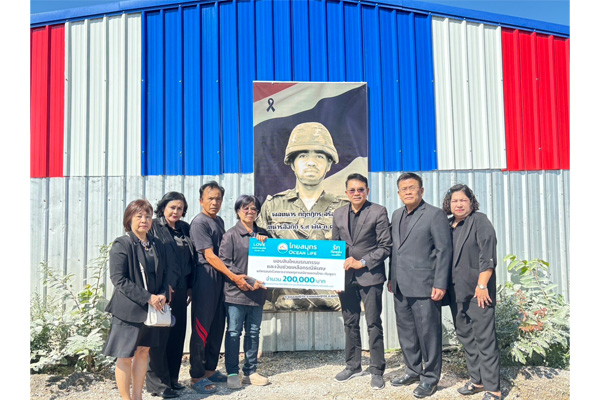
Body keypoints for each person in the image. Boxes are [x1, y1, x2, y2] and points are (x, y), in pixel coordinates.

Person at [257, 122, 348, 311]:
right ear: (292, 163)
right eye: (303, 155)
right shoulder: (273, 205)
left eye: (320, 156)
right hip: (283, 307)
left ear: (329, 164)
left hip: (333, 306)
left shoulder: (343, 208)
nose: (311, 162)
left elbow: (356, 250)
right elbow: (259, 253)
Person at [388, 173, 452, 398]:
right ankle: (413, 370)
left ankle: (430, 378)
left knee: (428, 334)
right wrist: (391, 277)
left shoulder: (434, 215)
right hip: (400, 285)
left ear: (421, 191)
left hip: (425, 286)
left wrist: (440, 283)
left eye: (412, 187)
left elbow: (444, 251)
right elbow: (396, 250)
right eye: (403, 188)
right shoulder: (396, 215)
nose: (408, 191)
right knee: (406, 331)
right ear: (399, 193)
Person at [188, 181, 252, 394]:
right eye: (210, 198)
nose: (214, 202)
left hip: (220, 278)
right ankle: (197, 375)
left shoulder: (219, 221)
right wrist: (233, 276)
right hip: (206, 276)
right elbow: (209, 255)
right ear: (201, 201)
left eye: (218, 199)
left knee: (217, 325)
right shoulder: (199, 223)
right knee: (202, 327)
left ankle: (210, 369)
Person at [103, 199, 169, 400]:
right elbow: (118, 279)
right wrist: (148, 297)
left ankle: (138, 396)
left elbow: (164, 274)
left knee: (143, 352)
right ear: (129, 219)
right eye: (139, 216)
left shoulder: (157, 244)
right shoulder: (122, 244)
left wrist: (163, 294)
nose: (144, 220)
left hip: (151, 311)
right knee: (125, 356)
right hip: (128, 311)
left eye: (148, 216)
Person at [332, 174, 392, 390]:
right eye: (352, 190)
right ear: (346, 193)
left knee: (373, 323)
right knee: (350, 322)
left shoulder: (378, 211)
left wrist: (362, 262)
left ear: (367, 191)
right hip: (346, 278)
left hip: (370, 276)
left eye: (360, 189)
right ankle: (353, 365)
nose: (356, 193)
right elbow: (334, 248)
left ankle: (377, 370)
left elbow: (385, 246)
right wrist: (334, 276)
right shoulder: (338, 214)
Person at [442, 184, 501, 400]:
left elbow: (488, 256)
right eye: (454, 201)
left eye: (463, 200)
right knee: (466, 337)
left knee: (485, 339)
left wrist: (482, 285)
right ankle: (477, 380)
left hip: (478, 293)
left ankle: (493, 388)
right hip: (456, 293)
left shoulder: (479, 221)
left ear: (471, 202)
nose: (458, 204)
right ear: (449, 204)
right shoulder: (448, 225)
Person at [219, 195, 271, 389]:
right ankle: (232, 372)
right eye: (245, 208)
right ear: (238, 211)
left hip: (257, 294)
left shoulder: (264, 234)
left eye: (254, 209)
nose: (250, 212)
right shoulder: (230, 235)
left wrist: (268, 243)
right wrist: (249, 280)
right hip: (236, 293)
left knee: (253, 333)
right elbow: (225, 263)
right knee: (234, 332)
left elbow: (275, 259)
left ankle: (251, 371)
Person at [145, 192, 194, 398]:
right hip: (163, 290)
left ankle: (172, 378)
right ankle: (158, 384)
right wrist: (163, 287)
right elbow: (150, 258)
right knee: (159, 336)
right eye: (172, 207)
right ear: (163, 207)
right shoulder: (154, 227)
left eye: (180, 208)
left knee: (177, 334)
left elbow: (190, 259)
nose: (176, 211)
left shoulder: (185, 228)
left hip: (181, 291)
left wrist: (190, 286)